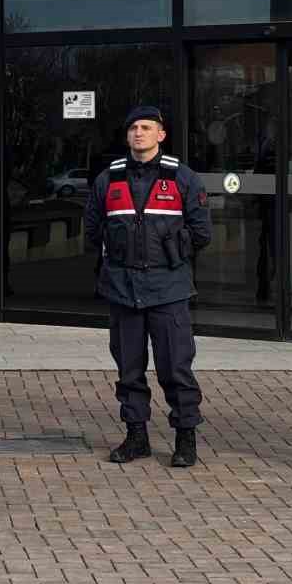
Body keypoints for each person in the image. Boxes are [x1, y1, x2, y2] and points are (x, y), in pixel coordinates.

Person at [83, 105, 211, 469]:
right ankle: (136, 436)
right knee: (129, 369)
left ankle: (185, 437)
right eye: (133, 128)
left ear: (161, 134)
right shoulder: (109, 179)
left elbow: (202, 232)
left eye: (146, 127)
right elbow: (93, 231)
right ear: (126, 136)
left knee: (176, 369)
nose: (139, 133)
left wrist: (172, 250)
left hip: (168, 289)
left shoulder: (182, 178)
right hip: (123, 289)